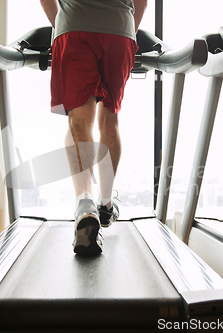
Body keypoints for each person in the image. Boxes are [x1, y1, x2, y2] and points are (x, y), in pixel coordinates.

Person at [40, 0, 148, 254]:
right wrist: (128, 31)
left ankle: (85, 204)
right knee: (109, 118)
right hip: (119, 29)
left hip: (74, 27)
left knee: (79, 119)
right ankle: (106, 205)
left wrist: (63, 25)